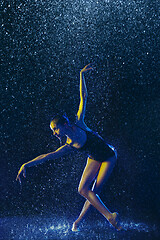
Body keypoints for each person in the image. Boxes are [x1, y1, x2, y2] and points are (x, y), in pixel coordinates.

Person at [16, 64, 122, 231]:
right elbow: (46, 156)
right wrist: (25, 164)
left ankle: (103, 218)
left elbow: (84, 97)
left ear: (65, 124)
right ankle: (94, 219)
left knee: (94, 191)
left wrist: (81, 75)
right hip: (94, 157)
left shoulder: (79, 123)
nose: (54, 133)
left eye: (55, 129)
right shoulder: (68, 145)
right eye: (53, 131)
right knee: (84, 190)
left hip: (109, 155)